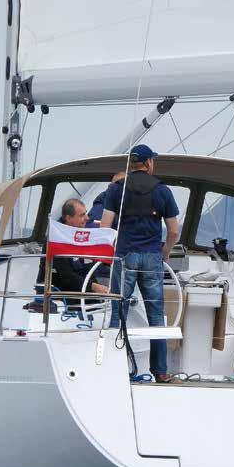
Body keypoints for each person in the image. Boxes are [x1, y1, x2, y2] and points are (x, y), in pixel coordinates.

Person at [101, 145, 180, 383]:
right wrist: (164, 253)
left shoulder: (116, 190)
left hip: (124, 256)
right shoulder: (162, 191)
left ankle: (114, 368)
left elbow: (105, 226)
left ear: (131, 164)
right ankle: (161, 371)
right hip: (152, 258)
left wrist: (112, 252)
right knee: (156, 314)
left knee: (119, 311)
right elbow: (174, 231)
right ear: (149, 164)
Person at [37, 199, 109, 296]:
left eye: (86, 213)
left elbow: (87, 269)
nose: (87, 218)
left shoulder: (80, 236)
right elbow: (66, 276)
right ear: (69, 218)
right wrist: (94, 287)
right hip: (58, 296)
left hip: (80, 294)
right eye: (82, 215)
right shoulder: (56, 240)